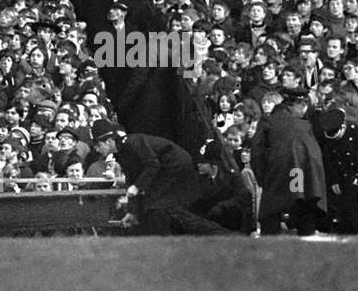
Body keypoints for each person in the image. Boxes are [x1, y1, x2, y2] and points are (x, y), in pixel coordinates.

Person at [89, 119, 229, 235]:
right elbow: (133, 180)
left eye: (98, 144)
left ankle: (219, 234)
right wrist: (132, 212)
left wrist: (137, 187)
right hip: (166, 171)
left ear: (108, 141)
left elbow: (152, 165)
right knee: (156, 208)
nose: (96, 149)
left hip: (175, 167)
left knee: (156, 207)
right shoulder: (122, 153)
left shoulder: (132, 142)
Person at [249, 87, 328, 236]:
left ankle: (267, 249)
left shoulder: (268, 121)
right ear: (298, 105)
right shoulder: (305, 126)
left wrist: (262, 179)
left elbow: (257, 153)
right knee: (305, 209)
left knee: (271, 213)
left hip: (277, 176)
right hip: (304, 177)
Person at [313, 107, 358, 233]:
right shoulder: (327, 136)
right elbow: (329, 158)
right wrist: (334, 179)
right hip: (344, 180)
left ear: (343, 127)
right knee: (347, 218)